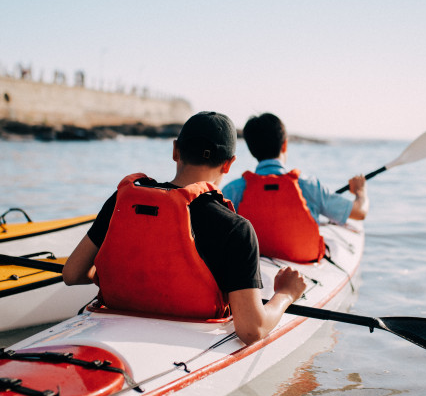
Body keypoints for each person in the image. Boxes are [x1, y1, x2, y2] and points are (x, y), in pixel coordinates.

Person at [63, 111, 308, 346]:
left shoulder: (122, 201)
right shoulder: (236, 228)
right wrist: (285, 294)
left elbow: (72, 273)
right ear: (229, 164)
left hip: (112, 326)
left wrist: (126, 279)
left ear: (175, 150)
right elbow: (252, 330)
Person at [222, 113, 368, 263]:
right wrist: (360, 191)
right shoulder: (308, 185)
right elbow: (359, 213)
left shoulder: (233, 190)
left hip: (256, 262)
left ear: (251, 149)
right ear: (284, 145)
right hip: (304, 263)